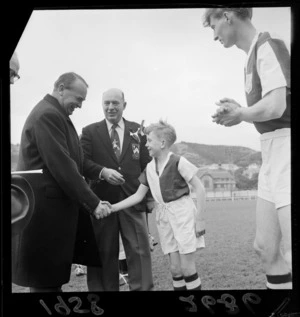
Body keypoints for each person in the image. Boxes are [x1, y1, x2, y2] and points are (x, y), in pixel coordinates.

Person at [203, 8, 291, 289]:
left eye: (212, 23)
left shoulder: (268, 43)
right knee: (265, 247)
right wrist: (241, 110)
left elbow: (277, 106)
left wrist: (241, 113)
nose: (213, 33)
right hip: (271, 152)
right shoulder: (250, 58)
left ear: (228, 15)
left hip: (287, 147)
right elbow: (266, 107)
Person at [12, 72, 111, 293]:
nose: (80, 105)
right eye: (78, 99)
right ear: (61, 88)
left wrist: (102, 171)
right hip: (44, 217)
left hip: (50, 216)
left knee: (48, 282)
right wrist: (94, 202)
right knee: (45, 284)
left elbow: (76, 159)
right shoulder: (48, 115)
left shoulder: (55, 114)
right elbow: (63, 165)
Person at [110, 120, 206, 291]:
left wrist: (200, 220)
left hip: (182, 213)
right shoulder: (149, 168)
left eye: (149, 141)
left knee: (187, 268)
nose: (145, 145)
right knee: (175, 269)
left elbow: (200, 188)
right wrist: (113, 207)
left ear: (162, 143)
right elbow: (138, 195)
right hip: (164, 217)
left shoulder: (178, 161)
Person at [80, 88, 154, 291]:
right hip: (102, 203)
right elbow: (82, 161)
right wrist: (102, 171)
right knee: (102, 253)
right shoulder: (89, 132)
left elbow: (148, 163)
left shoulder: (138, 130)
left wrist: (149, 196)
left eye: (115, 103)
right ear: (102, 105)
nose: (110, 107)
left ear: (124, 105)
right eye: (106, 103)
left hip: (133, 200)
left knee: (140, 251)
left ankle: (143, 289)